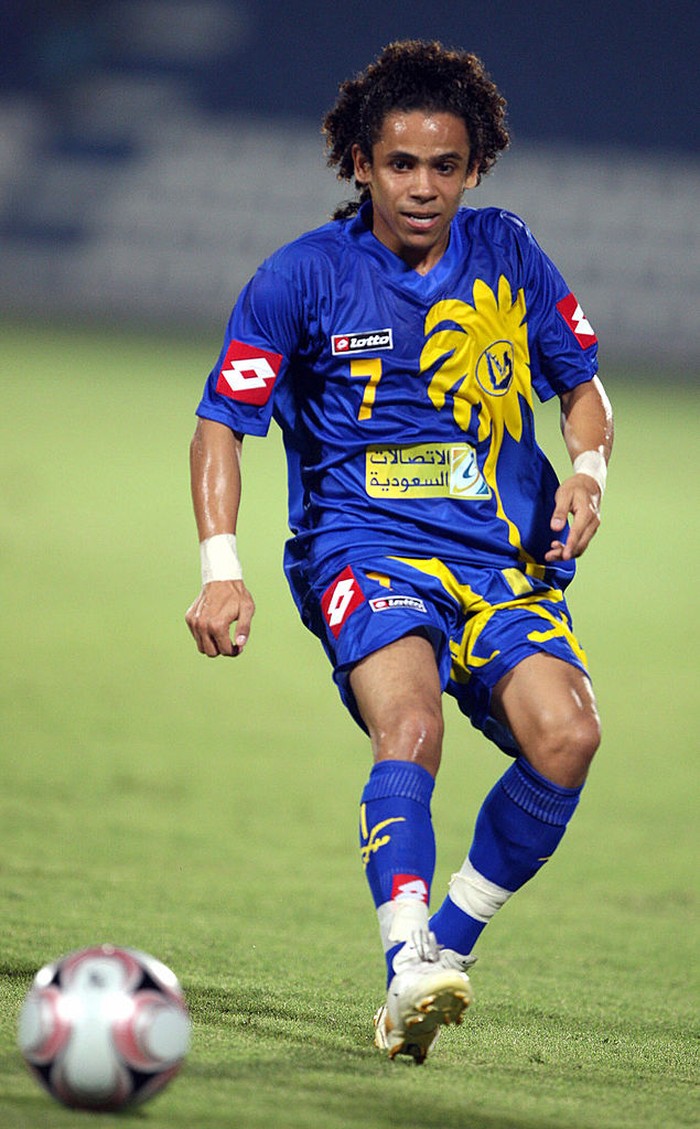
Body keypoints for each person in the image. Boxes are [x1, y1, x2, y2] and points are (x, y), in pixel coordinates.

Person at [185, 39, 613, 1065]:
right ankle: (405, 955)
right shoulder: (301, 277)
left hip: (499, 559)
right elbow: (219, 426)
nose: (423, 187)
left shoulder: (508, 252)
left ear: (474, 168)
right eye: (401, 164)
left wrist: (590, 475)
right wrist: (219, 567)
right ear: (360, 163)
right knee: (410, 724)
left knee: (567, 739)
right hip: (361, 547)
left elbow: (581, 387)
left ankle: (436, 956)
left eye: (445, 166)